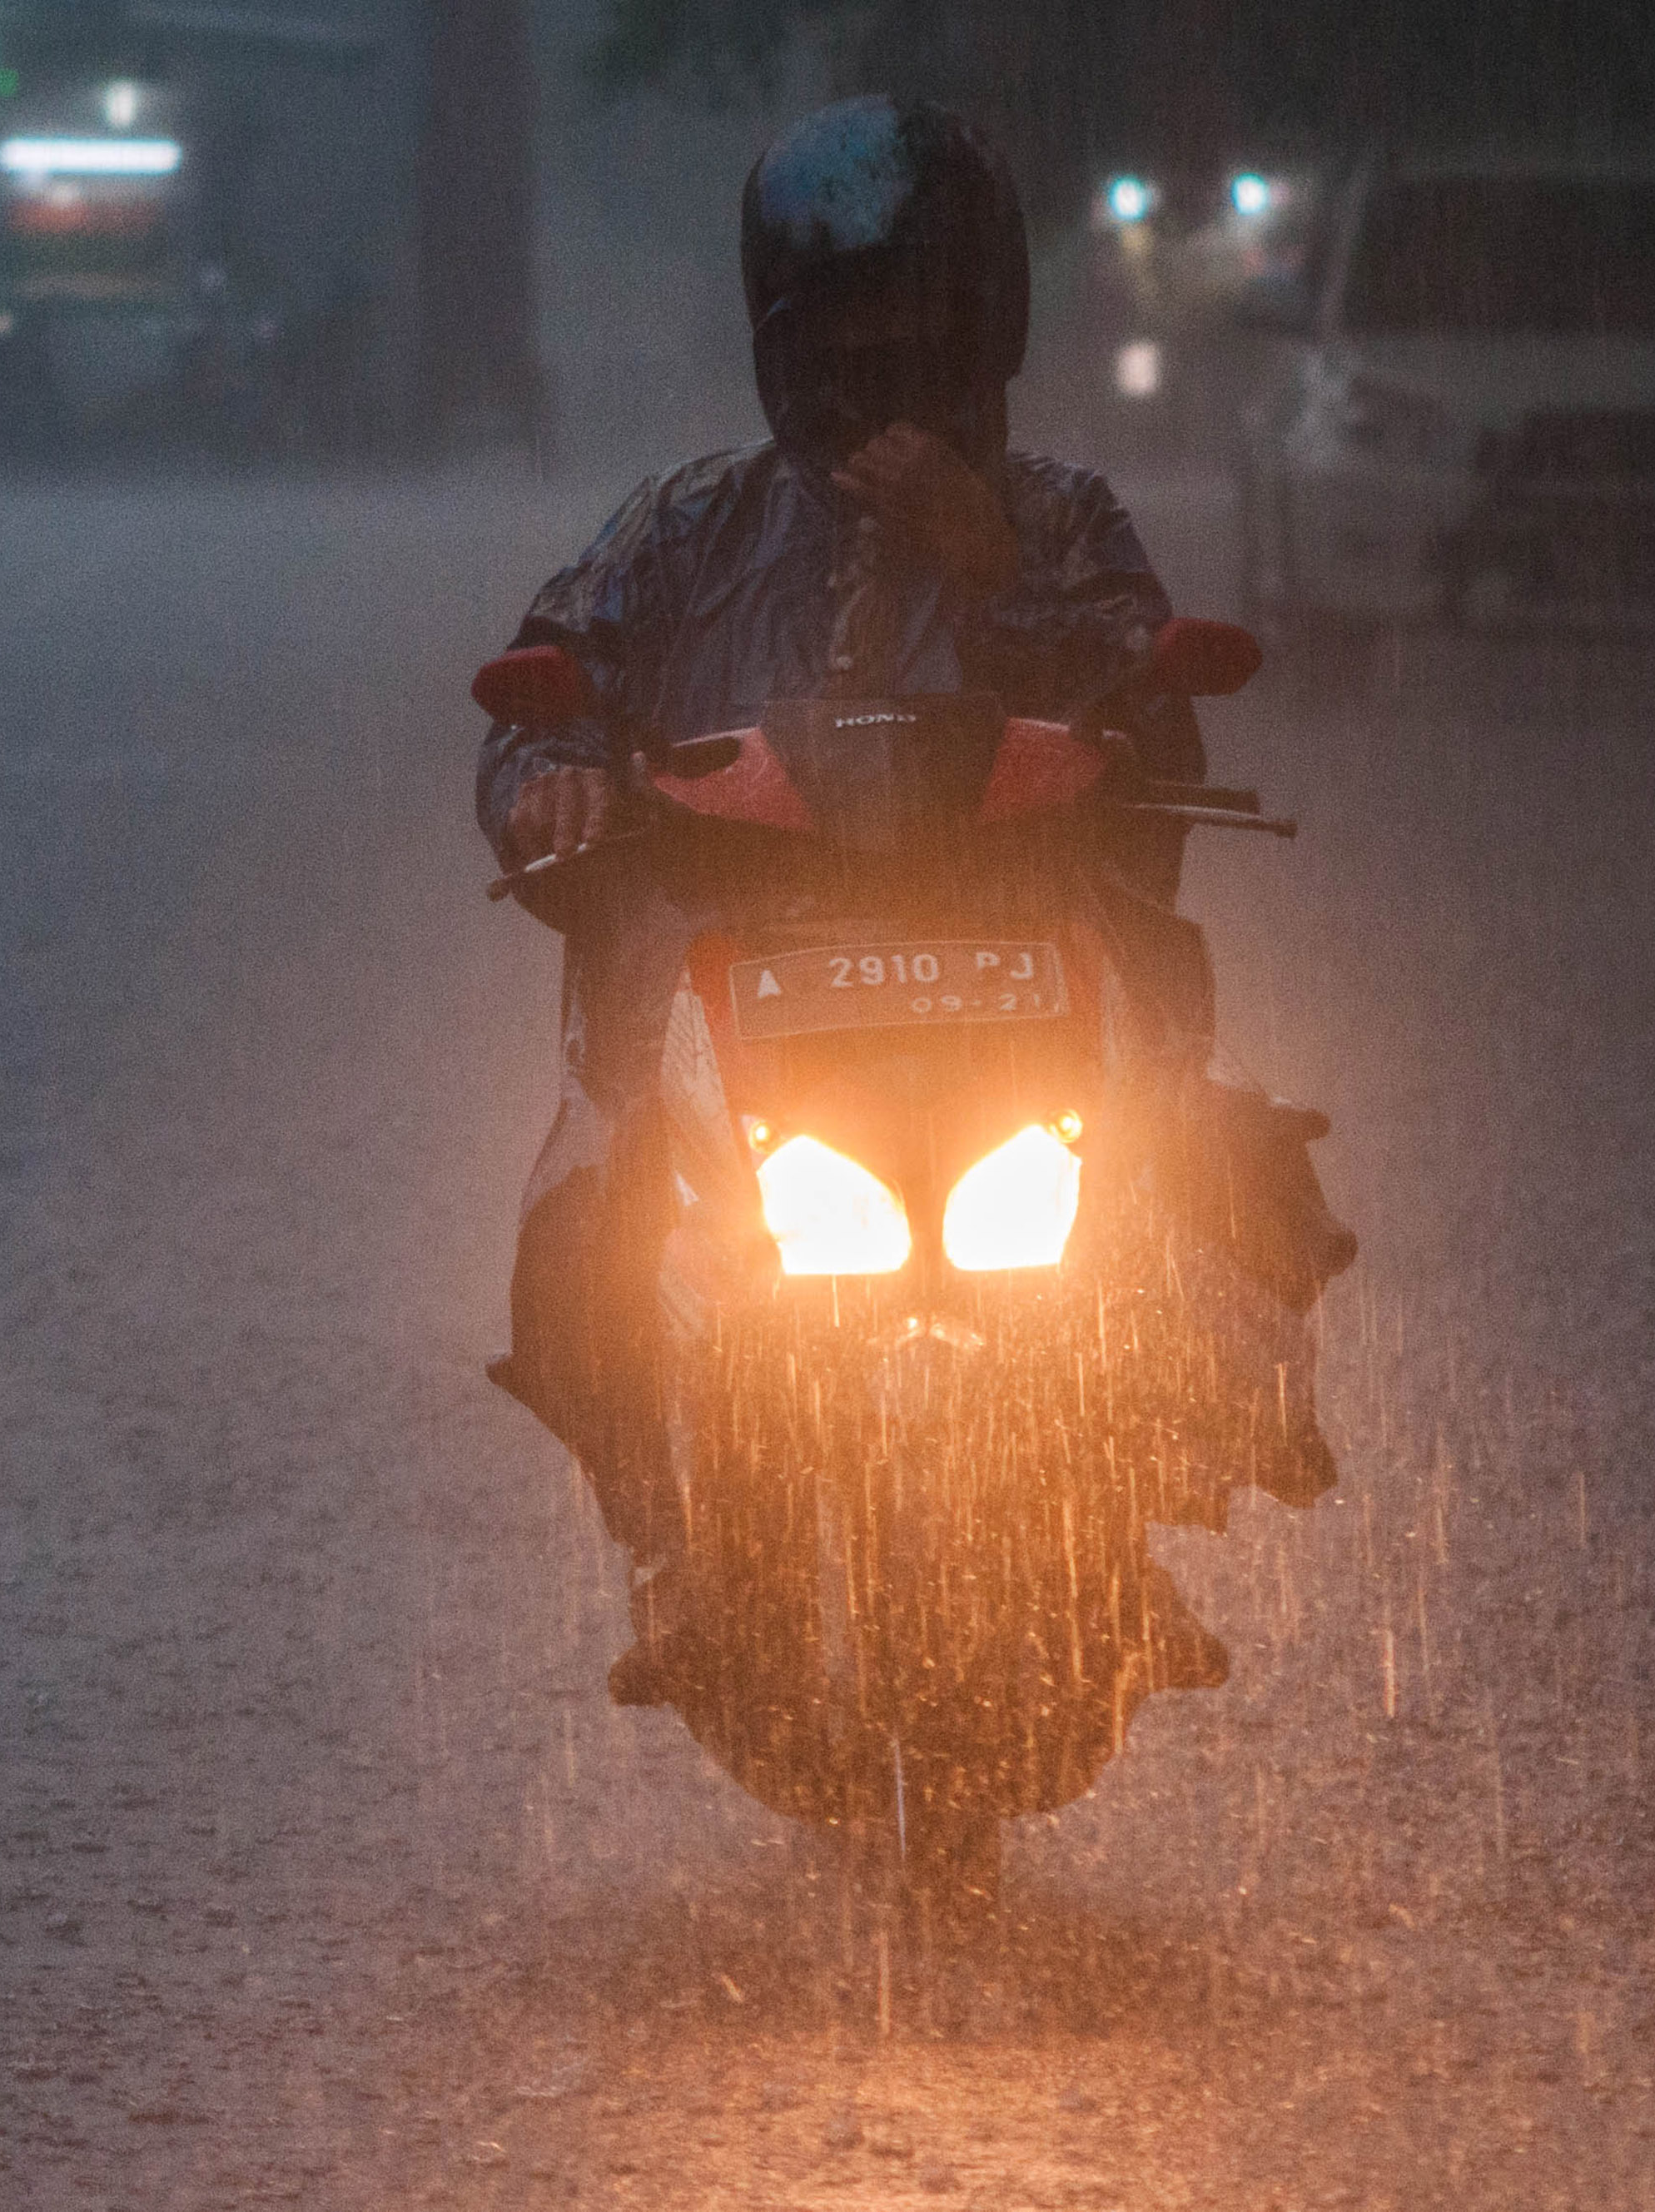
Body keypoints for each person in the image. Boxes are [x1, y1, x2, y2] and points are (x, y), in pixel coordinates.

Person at [477, 97, 1349, 1694]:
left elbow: (1156, 732)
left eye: (924, 321)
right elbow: (546, 692)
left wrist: (991, 568)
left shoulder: (1063, 516)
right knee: (593, 1218)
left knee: (1211, 1162)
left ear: (992, 328)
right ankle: (678, 1531)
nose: (887, 358)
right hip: (743, 978)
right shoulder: (685, 525)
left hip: (1026, 958)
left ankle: (1128, 1504)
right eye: (851, 324)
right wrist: (551, 779)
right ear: (784, 338)